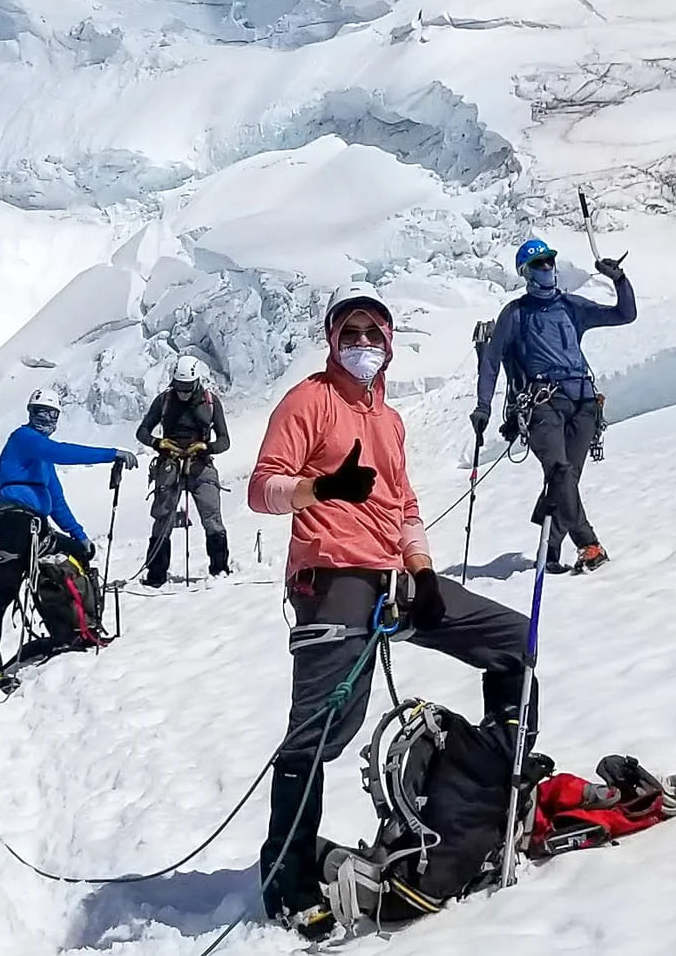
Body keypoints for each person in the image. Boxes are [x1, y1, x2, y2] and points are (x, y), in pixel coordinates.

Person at [250, 283, 530, 938]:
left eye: (374, 333)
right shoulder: (308, 401)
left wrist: (425, 572)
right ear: (332, 341)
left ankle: (497, 797)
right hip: (332, 575)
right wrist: (323, 487)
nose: (363, 344)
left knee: (513, 639)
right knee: (318, 731)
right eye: (351, 333)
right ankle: (284, 878)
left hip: (393, 575)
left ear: (390, 342)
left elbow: (403, 509)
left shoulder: (389, 419)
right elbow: (263, 488)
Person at [471, 238, 636, 575]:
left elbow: (625, 314)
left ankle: (550, 551)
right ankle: (589, 544)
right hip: (543, 404)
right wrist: (482, 407)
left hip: (584, 403)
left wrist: (619, 280)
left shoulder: (571, 307)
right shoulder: (515, 315)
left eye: (549, 261)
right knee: (562, 474)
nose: (547, 267)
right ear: (525, 273)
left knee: (566, 478)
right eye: (539, 264)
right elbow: (490, 361)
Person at [0, 387, 139, 688]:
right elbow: (61, 452)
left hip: (38, 526)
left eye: (52, 414)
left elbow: (57, 503)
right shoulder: (24, 439)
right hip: (15, 523)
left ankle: (76, 627)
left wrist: (80, 537)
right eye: (41, 412)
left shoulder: (42, 458)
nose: (46, 419)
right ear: (30, 413)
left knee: (77, 555)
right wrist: (110, 454)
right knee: (1, 592)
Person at [134, 354, 233, 583]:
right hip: (170, 464)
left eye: (187, 388)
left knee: (211, 517)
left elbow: (225, 440)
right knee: (164, 519)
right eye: (179, 387)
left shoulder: (210, 402)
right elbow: (142, 432)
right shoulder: (164, 400)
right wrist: (159, 443)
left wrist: (206, 447)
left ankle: (220, 569)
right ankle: (156, 574)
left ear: (196, 382)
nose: (183, 392)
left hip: (200, 463)